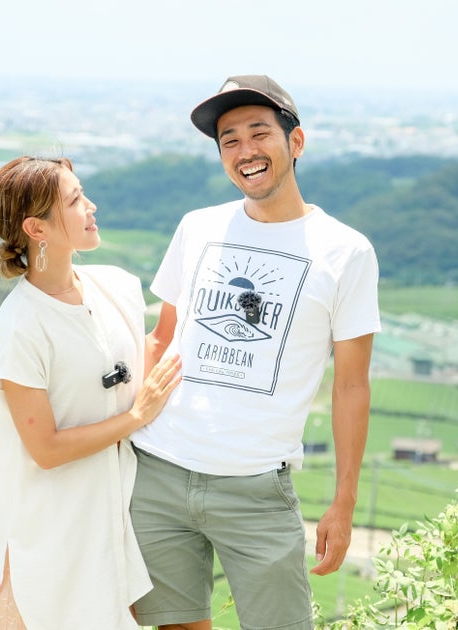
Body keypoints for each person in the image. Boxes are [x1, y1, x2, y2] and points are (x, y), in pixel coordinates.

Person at [131, 75, 381, 629]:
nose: (245, 151)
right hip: (158, 472)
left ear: (295, 143)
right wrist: (122, 432)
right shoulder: (197, 228)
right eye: (229, 140)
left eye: (258, 133)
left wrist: (344, 502)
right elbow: (161, 338)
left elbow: (352, 385)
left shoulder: (347, 252)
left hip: (256, 488)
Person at [0, 156, 182, 629]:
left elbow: (151, 350)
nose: (91, 206)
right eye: (74, 201)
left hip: (115, 519)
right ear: (37, 228)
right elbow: (45, 449)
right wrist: (136, 418)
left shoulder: (117, 287)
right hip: (49, 530)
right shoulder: (19, 327)